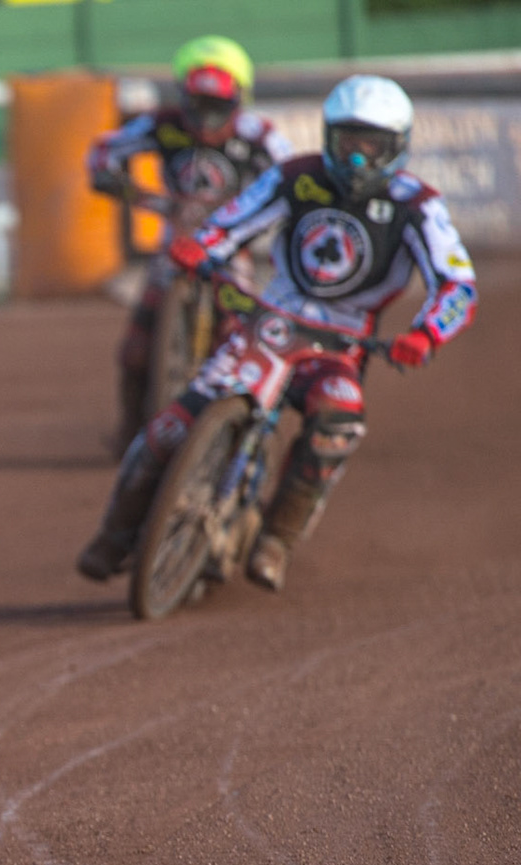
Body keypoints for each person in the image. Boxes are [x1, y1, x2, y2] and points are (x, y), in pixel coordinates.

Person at [76, 75, 477, 592]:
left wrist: (426, 335)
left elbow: (457, 285)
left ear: (397, 147)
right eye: (347, 143)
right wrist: (203, 248)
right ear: (329, 137)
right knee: (169, 428)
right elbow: (232, 221)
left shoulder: (417, 205)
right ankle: (115, 534)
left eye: (372, 147)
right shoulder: (297, 176)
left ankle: (277, 539)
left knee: (338, 424)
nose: (357, 160)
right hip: (271, 322)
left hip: (342, 344)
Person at [87, 36, 291, 448]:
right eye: (198, 105)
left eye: (219, 108)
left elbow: (294, 179)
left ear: (239, 100)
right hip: (172, 250)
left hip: (231, 255)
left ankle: (241, 436)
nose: (207, 120)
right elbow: (102, 154)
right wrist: (136, 195)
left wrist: (260, 213)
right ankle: (130, 427)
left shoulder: (259, 136)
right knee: (135, 351)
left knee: (238, 339)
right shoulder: (163, 125)